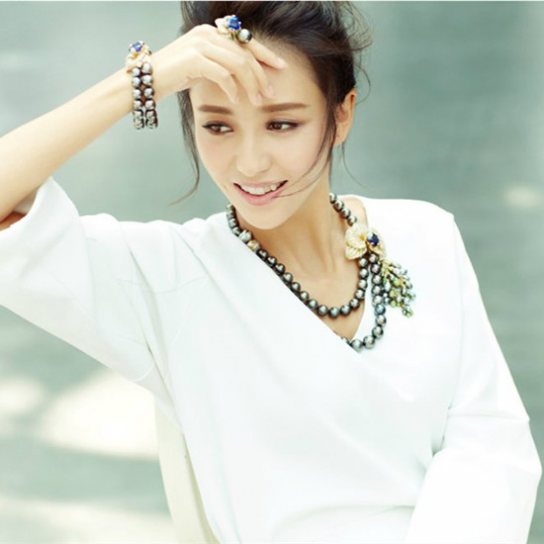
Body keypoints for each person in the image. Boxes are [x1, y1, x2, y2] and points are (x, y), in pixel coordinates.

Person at [0, 1, 541, 543]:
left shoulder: (425, 237)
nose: (250, 162)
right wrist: (143, 79)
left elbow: (491, 441)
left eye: (282, 123)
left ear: (342, 114)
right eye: (218, 126)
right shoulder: (170, 278)